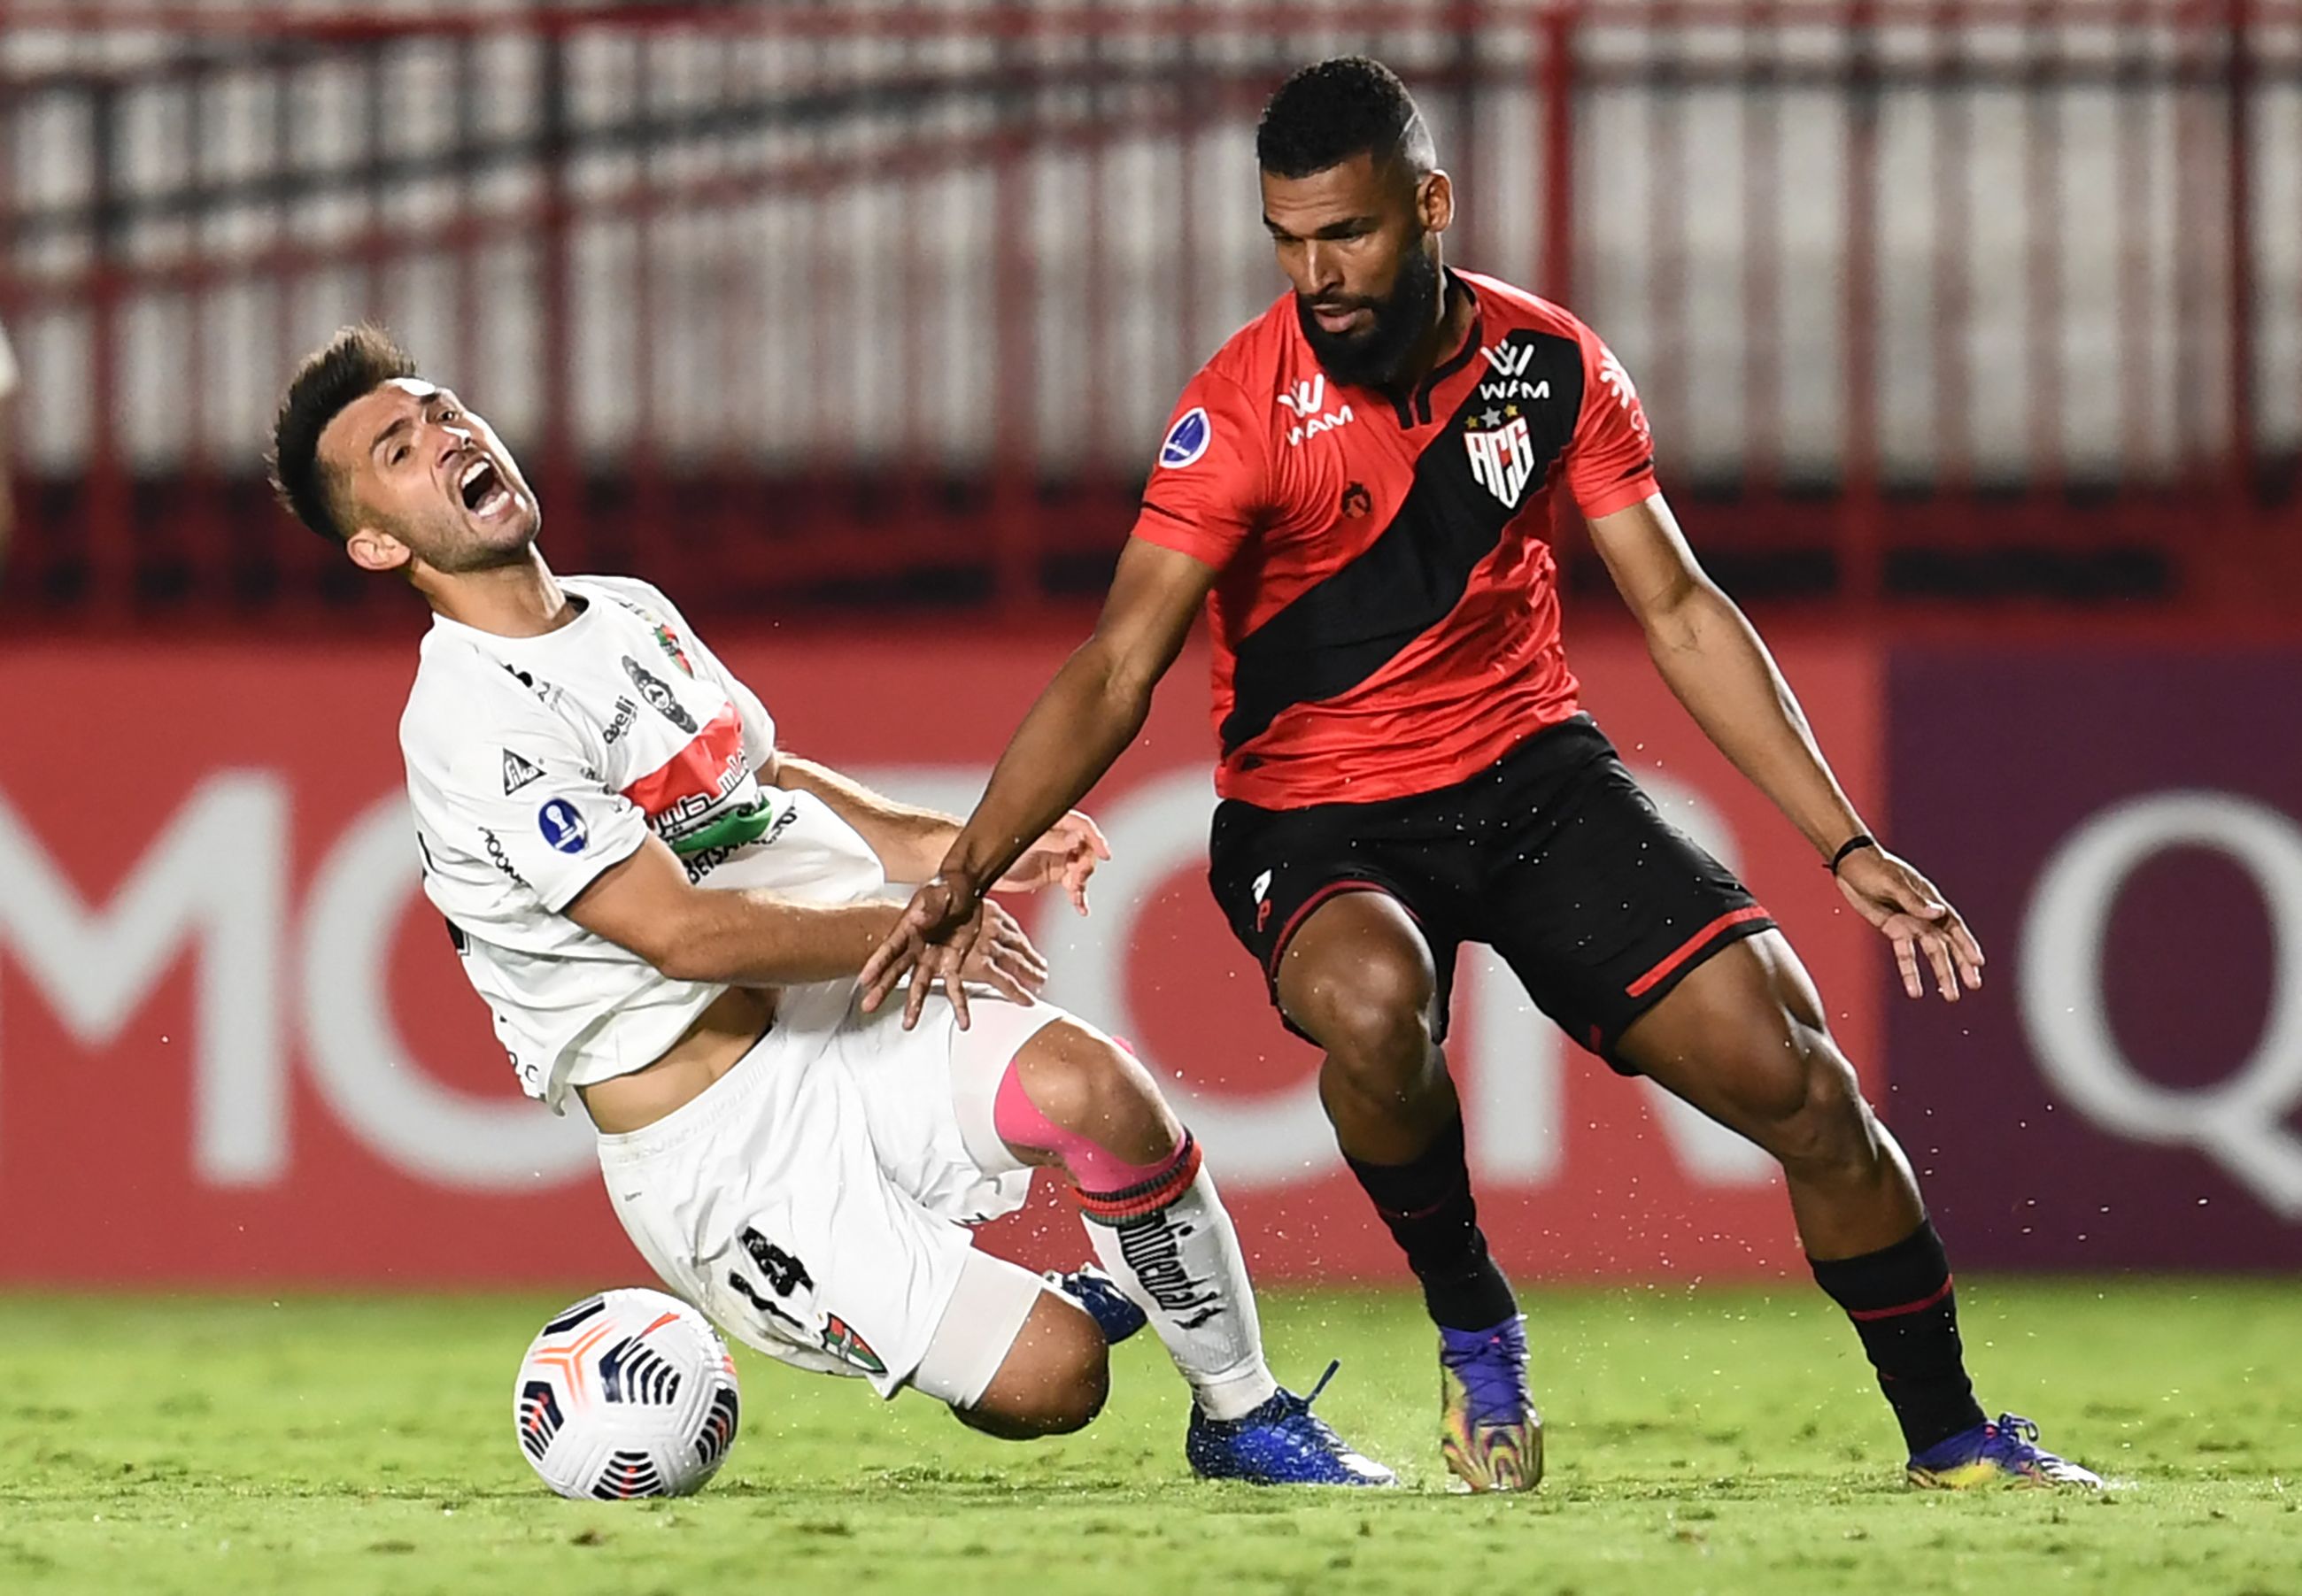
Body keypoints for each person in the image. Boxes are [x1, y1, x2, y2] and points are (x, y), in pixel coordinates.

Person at [861, 57, 2101, 1493]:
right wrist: (961, 871)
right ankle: (1474, 1326)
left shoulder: (1549, 363)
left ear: (1429, 204)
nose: (1318, 272)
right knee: (1375, 1008)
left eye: (1350, 233)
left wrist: (1844, 843)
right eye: (1290, 240)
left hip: (1532, 781)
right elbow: (1117, 665)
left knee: (1806, 1090)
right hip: (1317, 818)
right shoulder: (1239, 413)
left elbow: (1681, 606)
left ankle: (1952, 1439)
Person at [264, 324, 1392, 1487]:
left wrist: (967, 850)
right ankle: (1028, 1314)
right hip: (717, 1160)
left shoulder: (626, 610)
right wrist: (909, 922)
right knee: (1063, 1379)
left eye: (443, 408)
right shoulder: (474, 722)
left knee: (1100, 1093)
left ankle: (1243, 1415)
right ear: (375, 543)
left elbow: (763, 781)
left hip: (829, 1027)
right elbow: (677, 934)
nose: (445, 435)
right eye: (398, 449)